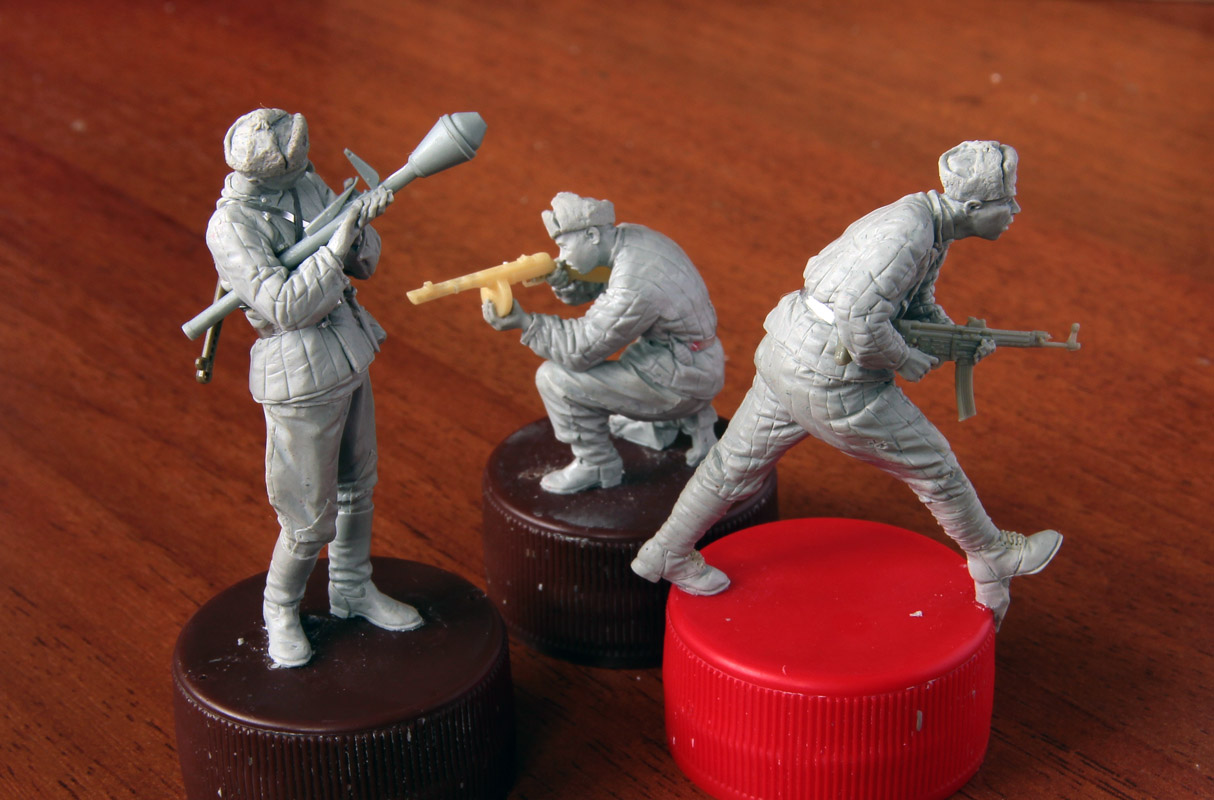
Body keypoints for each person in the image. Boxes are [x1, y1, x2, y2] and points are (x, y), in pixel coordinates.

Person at [631, 141, 1061, 627]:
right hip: (832, 378)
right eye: (1007, 202)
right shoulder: (909, 234)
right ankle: (992, 554)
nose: (1015, 211)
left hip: (788, 352)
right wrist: (904, 359)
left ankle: (665, 551)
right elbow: (861, 317)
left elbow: (915, 306)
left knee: (731, 464)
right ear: (974, 206)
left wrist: (955, 340)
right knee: (934, 466)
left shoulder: (927, 223)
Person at [206, 108, 421, 668]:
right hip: (297, 376)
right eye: (293, 165)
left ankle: (352, 587)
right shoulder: (231, 226)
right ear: (264, 171)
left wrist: (360, 227)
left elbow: (364, 264)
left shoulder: (303, 180)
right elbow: (285, 307)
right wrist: (335, 244)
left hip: (348, 350)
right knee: (307, 518)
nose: (304, 171)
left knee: (358, 486)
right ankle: (280, 607)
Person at [483, 192, 725, 494]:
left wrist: (526, 324)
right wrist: (564, 279)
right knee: (626, 360)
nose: (561, 255)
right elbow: (604, 282)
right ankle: (667, 425)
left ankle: (596, 464)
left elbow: (580, 350)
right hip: (688, 359)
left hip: (680, 379)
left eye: (564, 246)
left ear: (592, 235)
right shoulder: (633, 238)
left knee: (554, 379)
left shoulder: (635, 283)